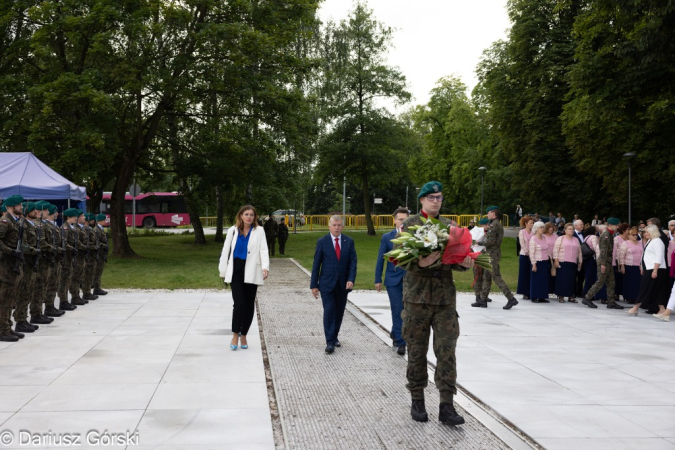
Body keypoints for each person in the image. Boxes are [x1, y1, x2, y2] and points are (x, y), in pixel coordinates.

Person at [400, 181, 473, 426]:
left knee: (447, 354)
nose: (435, 201)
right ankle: (417, 400)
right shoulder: (410, 224)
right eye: (430, 197)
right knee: (417, 352)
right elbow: (400, 258)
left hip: (444, 300)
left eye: (439, 197)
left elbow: (455, 259)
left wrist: (464, 263)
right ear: (421, 200)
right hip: (417, 299)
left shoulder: (451, 226)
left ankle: (446, 405)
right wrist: (418, 264)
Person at [219, 205, 270, 351]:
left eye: (252, 215)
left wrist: (265, 267)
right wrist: (222, 270)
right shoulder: (232, 230)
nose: (249, 217)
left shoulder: (259, 231)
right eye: (246, 214)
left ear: (255, 217)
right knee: (239, 303)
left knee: (248, 305)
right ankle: (235, 333)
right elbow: (225, 250)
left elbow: (264, 249)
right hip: (236, 270)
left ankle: (244, 335)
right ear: (241, 215)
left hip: (252, 270)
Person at [310, 215, 357, 354]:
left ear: (342, 226)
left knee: (339, 311)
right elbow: (316, 264)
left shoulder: (349, 241)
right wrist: (314, 285)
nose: (336, 228)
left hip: (343, 284)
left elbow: (353, 263)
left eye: (339, 225)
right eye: (334, 225)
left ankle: (334, 335)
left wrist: (351, 279)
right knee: (329, 310)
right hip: (326, 284)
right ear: (329, 226)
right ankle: (329, 341)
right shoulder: (322, 242)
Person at [375, 207, 409, 356]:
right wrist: (378, 279)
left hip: (410, 280)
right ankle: (402, 342)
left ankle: (396, 333)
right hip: (393, 280)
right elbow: (380, 259)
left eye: (406, 219)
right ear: (395, 220)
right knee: (397, 310)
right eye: (400, 219)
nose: (403, 222)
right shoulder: (387, 237)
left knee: (407, 310)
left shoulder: (414, 237)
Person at [472, 206, 518, 309]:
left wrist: (479, 242)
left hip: (492, 254)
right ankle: (483, 301)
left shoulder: (494, 225)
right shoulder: (495, 224)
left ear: (493, 214)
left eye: (488, 213)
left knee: (496, 277)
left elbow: (491, 241)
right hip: (491, 254)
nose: (487, 214)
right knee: (486, 277)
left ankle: (511, 299)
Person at [583, 218, 624, 309]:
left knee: (611, 282)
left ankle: (611, 302)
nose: (617, 227)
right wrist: (603, 264)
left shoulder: (609, 234)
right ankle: (587, 297)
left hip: (608, 261)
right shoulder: (606, 235)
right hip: (604, 261)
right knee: (600, 281)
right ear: (611, 225)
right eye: (616, 225)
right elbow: (603, 251)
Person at [627, 225, 668, 317]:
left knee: (645, 287)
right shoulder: (651, 241)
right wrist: (642, 265)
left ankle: (636, 307)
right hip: (650, 268)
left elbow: (659, 256)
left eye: (646, 232)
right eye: (644, 232)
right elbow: (646, 254)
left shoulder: (657, 242)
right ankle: (662, 310)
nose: (644, 234)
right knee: (657, 290)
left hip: (655, 269)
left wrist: (655, 270)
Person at [0, 195, 26, 342]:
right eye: (19, 205)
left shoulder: (14, 222)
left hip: (13, 266)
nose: (21, 207)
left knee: (10, 299)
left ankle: (7, 327)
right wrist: (11, 251)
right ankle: (2, 330)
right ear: (11, 206)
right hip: (5, 267)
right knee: (5, 300)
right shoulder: (4, 222)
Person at [43, 204, 65, 317]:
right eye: (54, 212)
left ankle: (50, 306)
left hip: (56, 258)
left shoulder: (55, 226)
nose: (57, 214)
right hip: (50, 258)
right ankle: (48, 307)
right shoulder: (46, 226)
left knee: (54, 283)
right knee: (50, 283)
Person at [553, 223, 582, 302]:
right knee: (562, 279)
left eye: (572, 229)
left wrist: (580, 261)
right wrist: (556, 260)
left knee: (571, 280)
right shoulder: (561, 238)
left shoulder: (576, 239)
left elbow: (579, 251)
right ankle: (561, 296)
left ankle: (570, 296)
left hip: (573, 262)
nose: (571, 230)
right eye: (569, 229)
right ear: (565, 230)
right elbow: (556, 250)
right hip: (563, 261)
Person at [58, 209, 78, 311]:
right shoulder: (65, 228)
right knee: (64, 280)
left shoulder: (71, 227)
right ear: (69, 217)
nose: (76, 218)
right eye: (74, 216)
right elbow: (64, 243)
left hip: (70, 257)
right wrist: (72, 248)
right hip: (66, 258)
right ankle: (63, 301)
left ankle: (65, 300)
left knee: (67, 279)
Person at [618, 227, 643, 304]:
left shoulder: (640, 242)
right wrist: (622, 266)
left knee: (638, 282)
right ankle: (629, 297)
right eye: (633, 235)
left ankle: (637, 297)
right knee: (630, 282)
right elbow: (621, 255)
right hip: (629, 265)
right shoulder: (625, 243)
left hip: (639, 266)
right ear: (628, 235)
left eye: (636, 234)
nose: (635, 236)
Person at [529, 221, 551, 303]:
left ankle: (542, 296)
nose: (542, 229)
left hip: (545, 261)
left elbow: (547, 249)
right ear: (536, 229)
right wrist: (534, 264)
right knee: (536, 279)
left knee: (544, 279)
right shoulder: (533, 238)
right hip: (537, 261)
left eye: (543, 227)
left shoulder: (544, 238)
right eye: (540, 227)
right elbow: (532, 252)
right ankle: (534, 296)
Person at [470, 218, 489, 305]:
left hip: (486, 255)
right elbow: (474, 242)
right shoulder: (477, 232)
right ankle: (478, 296)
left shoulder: (487, 232)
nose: (488, 226)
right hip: (477, 255)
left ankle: (484, 295)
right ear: (482, 225)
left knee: (486, 277)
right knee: (478, 275)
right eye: (487, 225)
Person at [517, 216, 534, 299]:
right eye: (531, 223)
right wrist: (528, 252)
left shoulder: (533, 232)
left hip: (533, 256)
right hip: (525, 255)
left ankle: (531, 291)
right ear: (526, 224)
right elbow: (522, 244)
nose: (532, 224)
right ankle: (524, 292)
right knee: (524, 273)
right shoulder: (522, 232)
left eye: (532, 223)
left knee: (531, 273)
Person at [612, 223, 630, 301]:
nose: (629, 231)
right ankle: (617, 293)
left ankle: (626, 294)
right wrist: (616, 261)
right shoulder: (617, 239)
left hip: (628, 261)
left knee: (626, 279)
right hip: (618, 261)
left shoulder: (630, 238)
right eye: (628, 229)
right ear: (623, 230)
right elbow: (614, 251)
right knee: (618, 278)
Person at [92, 214, 109, 295]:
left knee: (100, 271)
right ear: (100, 221)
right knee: (98, 271)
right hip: (98, 253)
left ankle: (97, 287)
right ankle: (96, 288)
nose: (105, 221)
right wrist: (104, 245)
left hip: (102, 253)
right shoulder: (96, 230)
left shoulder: (100, 229)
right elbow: (96, 241)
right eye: (104, 220)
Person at [573, 219, 587, 297]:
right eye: (581, 224)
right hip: (575, 257)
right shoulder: (572, 234)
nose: (582, 226)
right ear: (576, 226)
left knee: (582, 276)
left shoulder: (584, 234)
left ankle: (579, 291)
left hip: (584, 258)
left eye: (582, 224)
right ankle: (573, 291)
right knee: (574, 275)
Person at [544, 222, 558, 294]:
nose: (551, 229)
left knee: (553, 273)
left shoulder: (555, 236)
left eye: (552, 228)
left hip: (554, 257)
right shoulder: (543, 236)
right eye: (550, 227)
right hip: (546, 257)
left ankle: (552, 289)